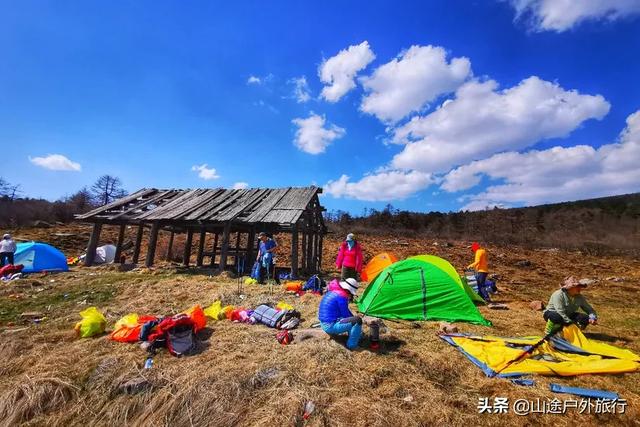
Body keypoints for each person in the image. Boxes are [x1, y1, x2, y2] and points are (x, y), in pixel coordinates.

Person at [318, 278, 380, 350]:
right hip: (330, 326)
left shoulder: (334, 291)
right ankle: (352, 346)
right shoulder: (342, 296)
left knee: (353, 320)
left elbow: (345, 313)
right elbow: (346, 314)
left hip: (324, 322)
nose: (351, 296)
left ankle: (355, 335)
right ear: (348, 290)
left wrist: (353, 319)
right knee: (357, 321)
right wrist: (358, 323)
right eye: (351, 294)